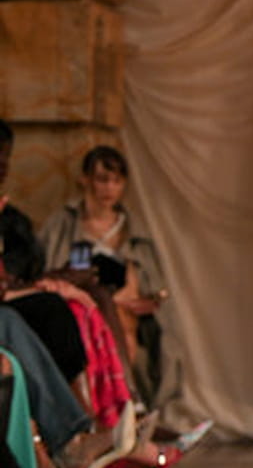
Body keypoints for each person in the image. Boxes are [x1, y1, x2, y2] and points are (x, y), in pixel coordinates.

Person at [41, 145, 172, 406]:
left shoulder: (135, 228)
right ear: (85, 179)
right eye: (102, 179)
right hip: (78, 304)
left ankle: (127, 402)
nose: (109, 188)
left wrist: (150, 298)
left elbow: (156, 284)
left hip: (128, 310)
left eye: (116, 181)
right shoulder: (64, 223)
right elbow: (47, 268)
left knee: (128, 326)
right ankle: (123, 403)